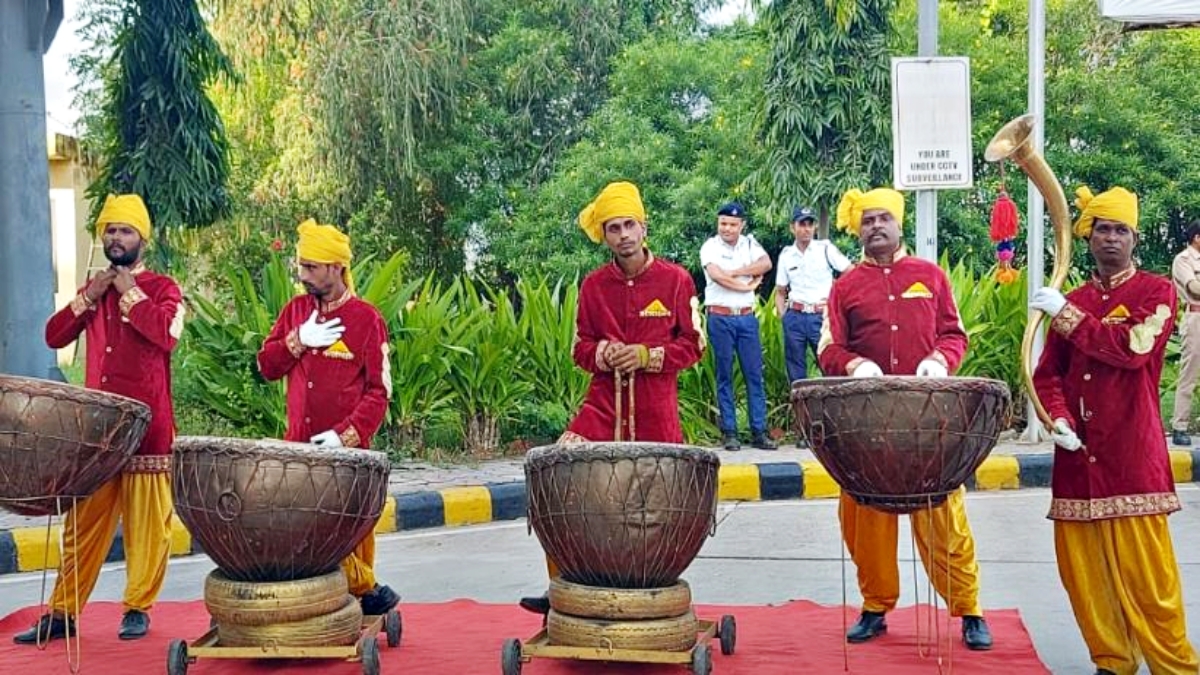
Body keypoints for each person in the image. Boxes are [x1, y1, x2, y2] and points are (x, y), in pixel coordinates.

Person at [1031, 186, 1198, 675]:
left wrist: (1065, 315)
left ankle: (1174, 666)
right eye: (1101, 228)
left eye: (1120, 230)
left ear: (1135, 238)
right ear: (1088, 237)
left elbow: (1134, 349)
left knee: (1150, 581)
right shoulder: (1077, 298)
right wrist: (1056, 417)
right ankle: (1112, 661)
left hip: (1131, 458)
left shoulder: (1156, 292)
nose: (1110, 239)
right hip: (1077, 462)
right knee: (1084, 576)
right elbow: (1048, 374)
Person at [817, 187, 992, 651]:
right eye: (868, 220)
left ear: (899, 225)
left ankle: (969, 609)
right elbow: (828, 348)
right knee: (865, 524)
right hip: (866, 426)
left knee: (945, 523)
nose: (876, 226)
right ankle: (875, 606)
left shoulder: (929, 276)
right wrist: (854, 365)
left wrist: (939, 358)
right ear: (859, 228)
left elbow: (955, 333)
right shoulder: (846, 286)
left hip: (928, 424)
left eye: (884, 219)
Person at [519, 180, 704, 614]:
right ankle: (561, 584)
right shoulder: (593, 286)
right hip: (600, 409)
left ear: (644, 227)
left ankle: (650, 589)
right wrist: (603, 353)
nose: (622, 235)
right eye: (613, 228)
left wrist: (645, 355)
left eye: (628, 225)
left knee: (657, 508)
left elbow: (695, 345)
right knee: (558, 485)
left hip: (657, 414)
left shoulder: (676, 281)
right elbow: (579, 348)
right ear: (604, 236)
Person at [15, 194, 184, 644]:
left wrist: (129, 292)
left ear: (141, 239)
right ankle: (63, 611)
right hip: (97, 436)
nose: (115, 238)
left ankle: (137, 606)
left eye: (124, 231)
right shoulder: (93, 291)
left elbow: (166, 336)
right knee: (81, 527)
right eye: (109, 230)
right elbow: (53, 334)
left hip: (148, 431)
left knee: (149, 527)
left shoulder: (165, 288)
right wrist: (89, 296)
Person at [257, 219, 400, 617]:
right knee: (304, 529)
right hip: (299, 447)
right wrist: (297, 341)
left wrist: (345, 436)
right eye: (301, 267)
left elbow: (378, 392)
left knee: (349, 530)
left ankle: (362, 591)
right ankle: (362, 591)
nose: (303, 276)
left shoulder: (366, 319)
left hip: (347, 454)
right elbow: (267, 366)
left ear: (336, 268)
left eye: (312, 268)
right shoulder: (295, 312)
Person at [699, 202, 777, 451]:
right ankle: (730, 432)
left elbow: (765, 264)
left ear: (741, 225)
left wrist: (736, 271)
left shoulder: (750, 244)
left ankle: (759, 431)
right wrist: (747, 285)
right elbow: (716, 276)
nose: (727, 228)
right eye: (723, 223)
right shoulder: (710, 246)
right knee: (724, 376)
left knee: (754, 374)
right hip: (720, 318)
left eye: (733, 224)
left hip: (746, 319)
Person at [774, 205, 853, 385]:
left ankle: (833, 411)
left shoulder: (825, 249)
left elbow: (850, 271)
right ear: (792, 227)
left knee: (829, 365)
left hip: (821, 315)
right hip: (795, 316)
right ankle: (802, 412)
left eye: (810, 224)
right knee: (795, 371)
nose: (807, 228)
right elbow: (780, 291)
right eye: (802, 224)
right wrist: (784, 317)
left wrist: (836, 298)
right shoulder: (787, 255)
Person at [1169, 219, 1200, 447]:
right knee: (1189, 373)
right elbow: (1194, 288)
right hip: (1195, 317)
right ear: (1196, 237)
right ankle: (1179, 426)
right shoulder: (1183, 260)